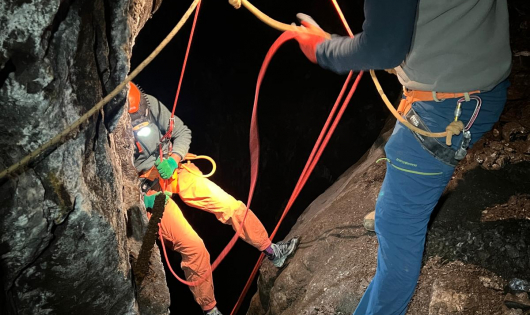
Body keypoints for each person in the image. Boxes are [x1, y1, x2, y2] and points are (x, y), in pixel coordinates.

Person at [290, 1, 511, 314]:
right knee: (398, 185)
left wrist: (322, 49)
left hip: (450, 106)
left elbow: (384, 48)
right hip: (473, 83)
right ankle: (396, 206)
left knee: (397, 226)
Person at [127, 82, 299, 315]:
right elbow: (116, 183)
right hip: (148, 190)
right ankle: (211, 310)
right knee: (194, 247)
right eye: (133, 117)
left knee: (230, 206)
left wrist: (174, 158)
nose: (138, 118)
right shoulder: (112, 130)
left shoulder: (148, 105)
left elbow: (181, 132)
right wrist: (139, 199)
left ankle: (272, 252)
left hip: (172, 168)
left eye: (139, 115)